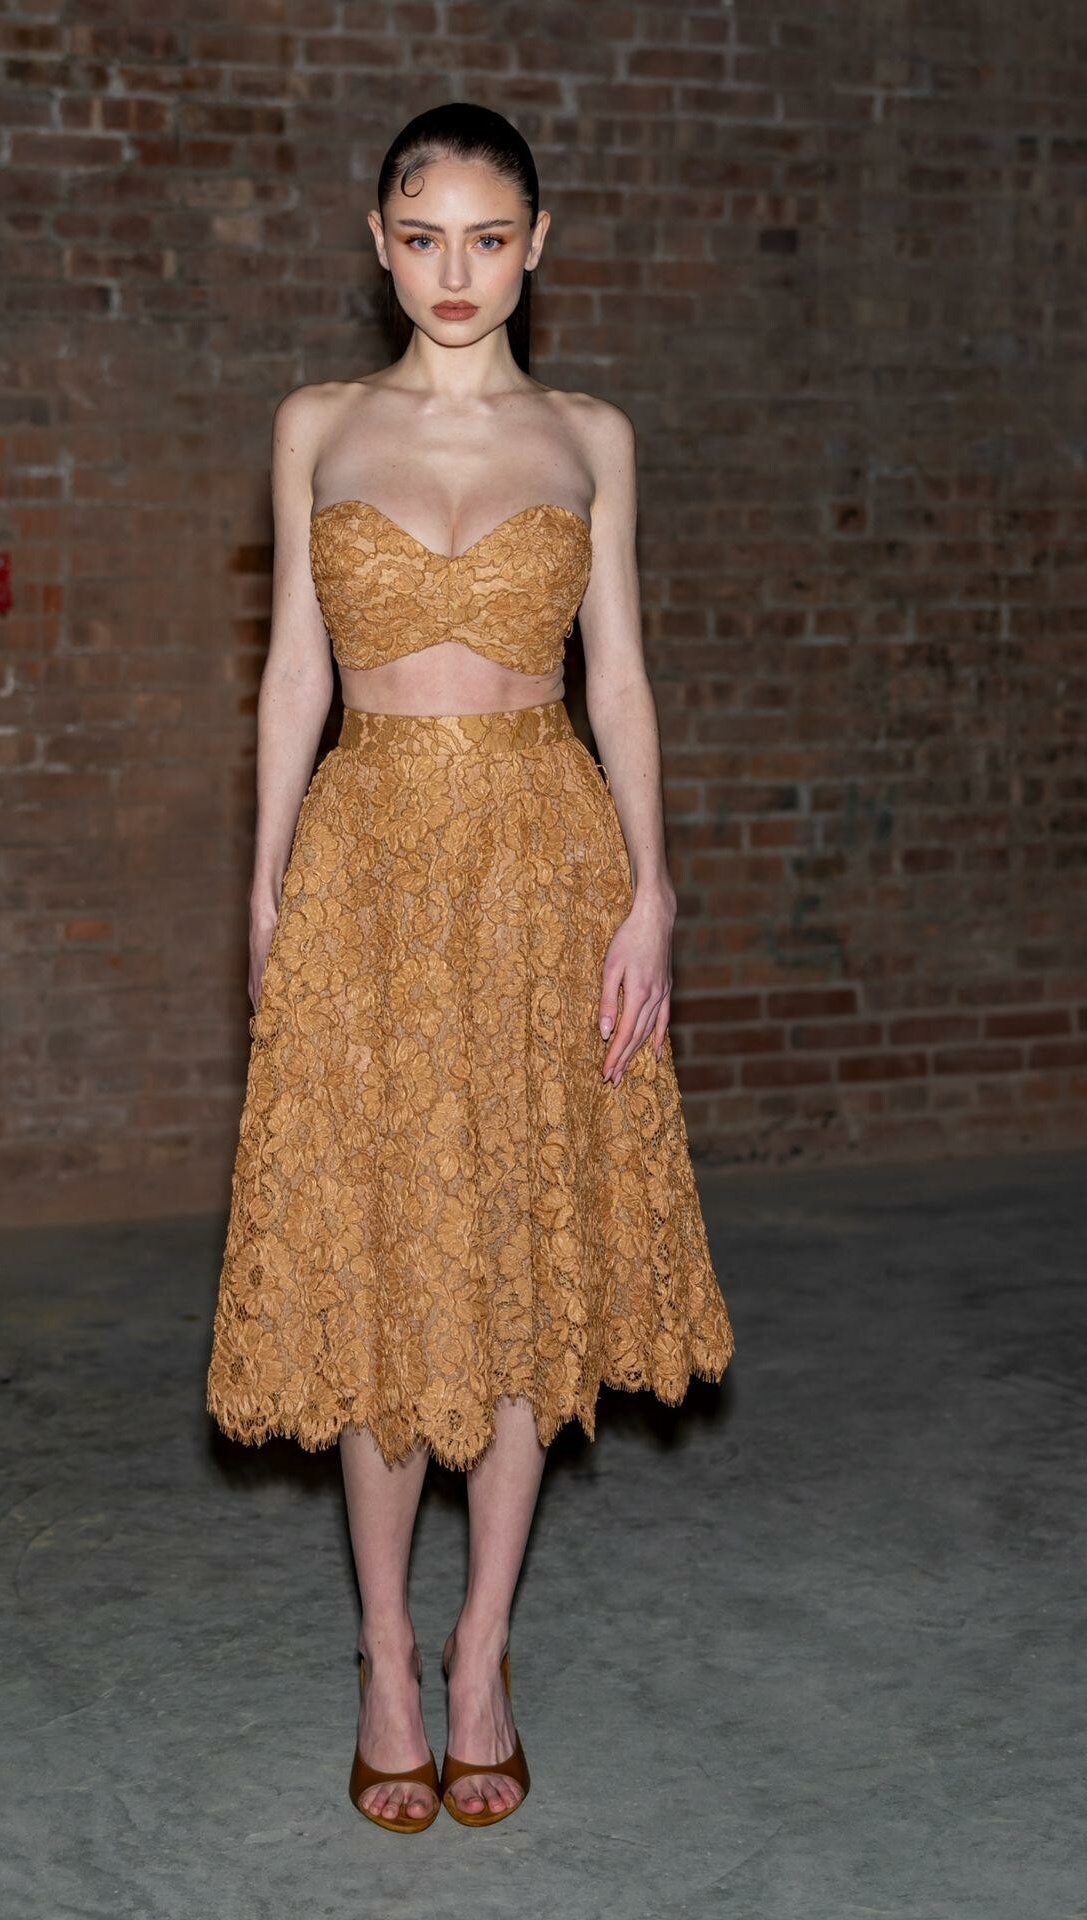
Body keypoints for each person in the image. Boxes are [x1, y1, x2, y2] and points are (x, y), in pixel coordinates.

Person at [206, 102, 734, 1835]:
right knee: (386, 1265)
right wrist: (265, 887)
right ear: (378, 244)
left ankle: (483, 1651)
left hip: (543, 868)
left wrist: (651, 893)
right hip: (368, 867)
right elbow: (293, 671)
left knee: (511, 1265)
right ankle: (382, 1656)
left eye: (488, 239)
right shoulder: (316, 425)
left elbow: (622, 679)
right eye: (424, 237)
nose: (456, 271)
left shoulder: (589, 437)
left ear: (537, 245)